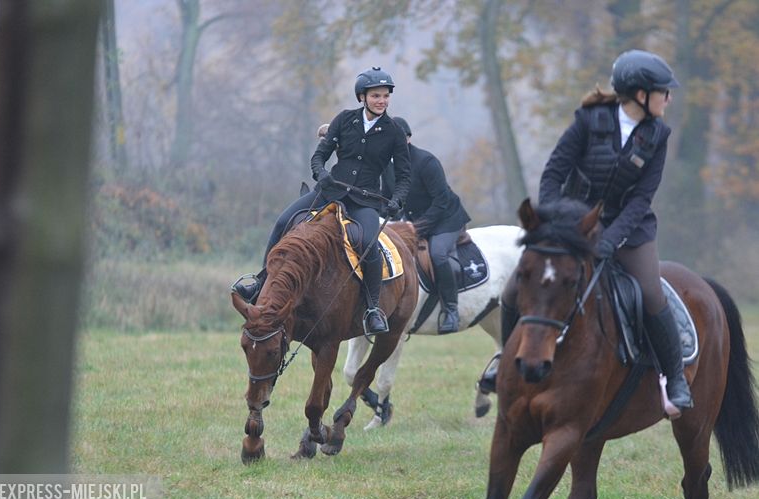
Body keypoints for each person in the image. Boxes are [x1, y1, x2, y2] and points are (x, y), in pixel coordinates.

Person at [479, 49, 693, 415]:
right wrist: (552, 222)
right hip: (571, 225)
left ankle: (674, 378)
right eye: (663, 91)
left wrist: (611, 239)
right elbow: (553, 174)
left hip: (631, 230)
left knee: (650, 293)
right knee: (515, 288)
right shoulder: (589, 120)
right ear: (640, 94)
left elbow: (642, 199)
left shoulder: (658, 134)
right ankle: (506, 359)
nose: (668, 97)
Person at [233, 66, 411, 335]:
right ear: (362, 97)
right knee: (284, 221)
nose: (382, 101)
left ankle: (373, 308)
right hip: (328, 191)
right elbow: (319, 156)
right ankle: (261, 281)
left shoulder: (394, 131)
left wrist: (397, 198)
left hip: (364, 201)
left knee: (367, 243)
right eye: (376, 96)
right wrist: (321, 174)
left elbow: (405, 176)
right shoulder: (344, 120)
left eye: (386, 96)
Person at [391, 116, 471, 334]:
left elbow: (441, 201)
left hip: (447, 219)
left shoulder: (427, 162)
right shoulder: (389, 167)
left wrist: (417, 227)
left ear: (407, 139)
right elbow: (388, 199)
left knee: (438, 255)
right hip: (414, 221)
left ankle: (451, 311)